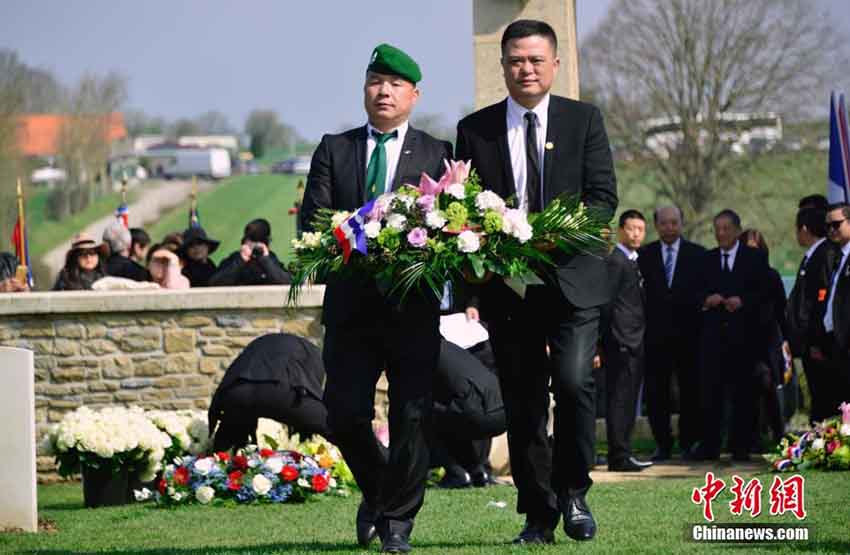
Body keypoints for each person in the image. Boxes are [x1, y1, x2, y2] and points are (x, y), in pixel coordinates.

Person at [455, 20, 617, 544]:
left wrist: (555, 236)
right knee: (523, 401)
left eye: (535, 60)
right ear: (502, 65)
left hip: (574, 280)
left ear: (555, 65)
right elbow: (460, 208)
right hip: (510, 287)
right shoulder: (474, 130)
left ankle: (574, 492)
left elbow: (602, 199)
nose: (525, 69)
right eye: (515, 61)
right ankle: (538, 513)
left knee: (572, 383)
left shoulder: (583, 120)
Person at [300, 43, 452, 554]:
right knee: (343, 413)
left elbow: (451, 227)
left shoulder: (437, 152)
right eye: (374, 82)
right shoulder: (334, 148)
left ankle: (398, 524)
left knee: (412, 415)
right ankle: (382, 489)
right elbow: (314, 222)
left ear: (414, 94)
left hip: (412, 310)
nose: (383, 92)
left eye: (394, 84)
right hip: (351, 308)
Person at [691, 210, 769, 462]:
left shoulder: (754, 258)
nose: (721, 233)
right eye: (717, 229)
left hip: (743, 339)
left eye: (726, 228)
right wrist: (706, 299)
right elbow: (691, 293)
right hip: (713, 340)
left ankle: (741, 446)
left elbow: (765, 294)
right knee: (710, 395)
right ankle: (710, 445)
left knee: (743, 395)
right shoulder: (706, 259)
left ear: (737, 230)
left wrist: (743, 301)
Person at [637, 206, 706, 461]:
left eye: (674, 222)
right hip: (655, 336)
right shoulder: (645, 256)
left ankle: (688, 442)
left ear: (682, 223)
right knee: (657, 393)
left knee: (690, 390)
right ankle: (662, 444)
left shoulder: (698, 255)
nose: (669, 227)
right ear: (656, 225)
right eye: (664, 223)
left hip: (689, 335)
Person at [208, 333, 330, 452]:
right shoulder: (312, 353)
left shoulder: (265, 345)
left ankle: (213, 467)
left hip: (239, 390)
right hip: (282, 392)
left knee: (226, 447)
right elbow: (311, 386)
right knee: (336, 431)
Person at [600, 210, 653, 472]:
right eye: (631, 228)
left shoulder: (633, 260)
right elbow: (608, 304)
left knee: (630, 399)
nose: (635, 234)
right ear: (621, 230)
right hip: (621, 341)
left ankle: (624, 451)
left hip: (635, 340)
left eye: (640, 229)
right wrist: (610, 339)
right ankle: (618, 455)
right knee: (620, 399)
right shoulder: (615, 261)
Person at [787, 206, 840, 422]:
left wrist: (817, 341)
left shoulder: (825, 254)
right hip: (808, 343)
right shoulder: (812, 256)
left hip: (818, 343)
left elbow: (821, 301)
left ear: (805, 229)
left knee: (824, 398)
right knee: (817, 397)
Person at [740, 229, 787, 446]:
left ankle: (778, 433)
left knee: (768, 386)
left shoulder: (771, 276)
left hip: (767, 343)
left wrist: (787, 342)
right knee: (746, 392)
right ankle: (750, 437)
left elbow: (781, 311)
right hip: (742, 342)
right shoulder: (735, 277)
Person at [812, 203, 850, 416]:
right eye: (828, 226)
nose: (832, 230)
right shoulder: (835, 257)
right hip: (833, 343)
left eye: (837, 224)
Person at [209, 219, 291, 286]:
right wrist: (241, 260)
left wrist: (266, 260)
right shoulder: (235, 260)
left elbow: (287, 282)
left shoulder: (270, 259)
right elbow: (214, 283)